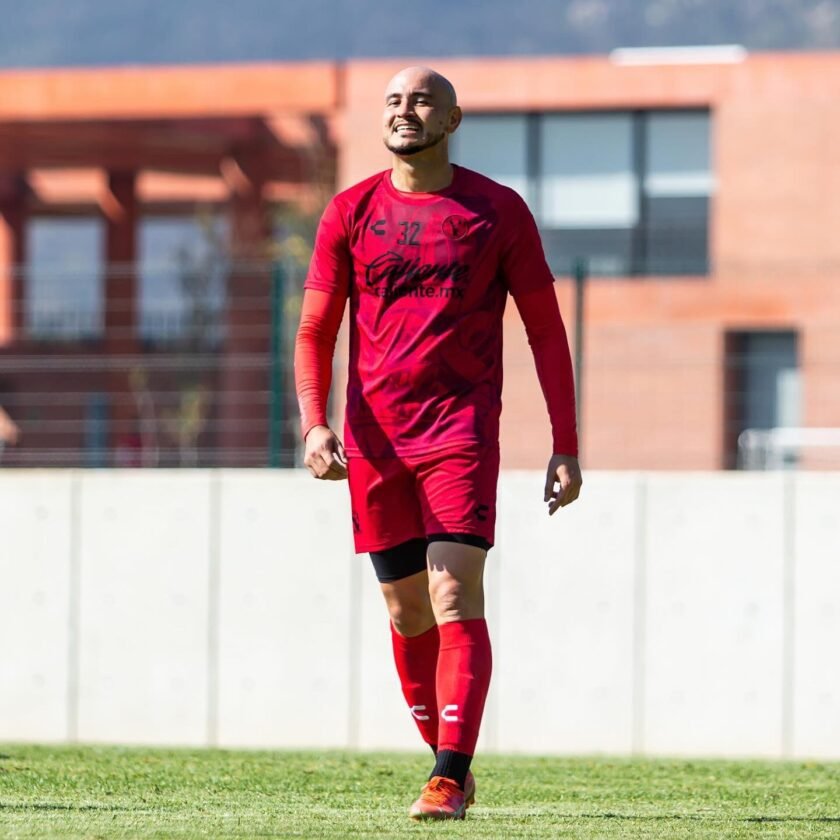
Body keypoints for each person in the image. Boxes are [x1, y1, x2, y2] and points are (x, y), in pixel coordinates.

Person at [294, 66, 582, 821]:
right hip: (375, 439)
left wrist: (566, 442)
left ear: (452, 120)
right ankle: (445, 761)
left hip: (459, 433)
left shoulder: (497, 211)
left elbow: (546, 331)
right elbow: (316, 329)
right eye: (394, 100)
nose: (405, 111)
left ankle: (449, 777)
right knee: (406, 613)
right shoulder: (349, 211)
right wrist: (313, 420)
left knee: (454, 589)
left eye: (422, 100)